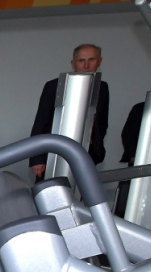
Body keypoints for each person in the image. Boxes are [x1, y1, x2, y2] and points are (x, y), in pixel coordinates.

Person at [29, 44, 109, 181]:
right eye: (81, 60)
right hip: (53, 154)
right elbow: (41, 122)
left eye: (91, 60)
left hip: (88, 154)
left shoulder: (102, 87)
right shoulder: (54, 86)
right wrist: (37, 158)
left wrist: (97, 152)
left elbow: (102, 122)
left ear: (99, 61)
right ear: (73, 63)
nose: (86, 65)